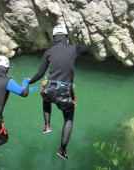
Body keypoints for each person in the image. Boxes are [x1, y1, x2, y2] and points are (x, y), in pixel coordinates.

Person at [29, 25, 90, 160]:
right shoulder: (74, 48)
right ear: (66, 37)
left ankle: (47, 125)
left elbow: (39, 74)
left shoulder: (48, 52)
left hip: (49, 89)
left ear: (54, 38)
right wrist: (79, 46)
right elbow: (87, 50)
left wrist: (29, 82)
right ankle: (62, 150)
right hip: (64, 92)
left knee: (45, 97)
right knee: (68, 120)